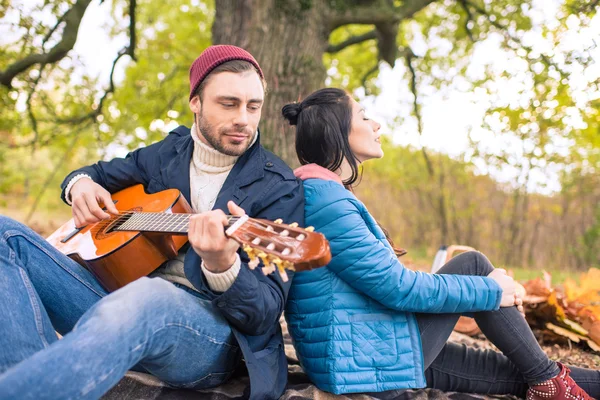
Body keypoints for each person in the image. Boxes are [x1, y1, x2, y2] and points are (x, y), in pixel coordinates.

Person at [0, 45, 304, 400]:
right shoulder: (167, 152)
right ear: (196, 102)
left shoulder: (278, 186)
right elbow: (95, 173)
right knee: (5, 233)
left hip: (209, 339)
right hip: (116, 307)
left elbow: (264, 314)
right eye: (228, 103)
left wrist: (222, 266)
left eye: (253, 107)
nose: (244, 119)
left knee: (149, 295)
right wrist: (79, 185)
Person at [281, 88, 599, 400]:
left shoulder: (326, 194)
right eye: (365, 117)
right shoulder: (325, 200)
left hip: (370, 348)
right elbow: (397, 287)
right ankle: (548, 380)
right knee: (473, 266)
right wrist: (492, 291)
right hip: (366, 364)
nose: (377, 125)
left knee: (521, 374)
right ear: (338, 132)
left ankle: (548, 380)